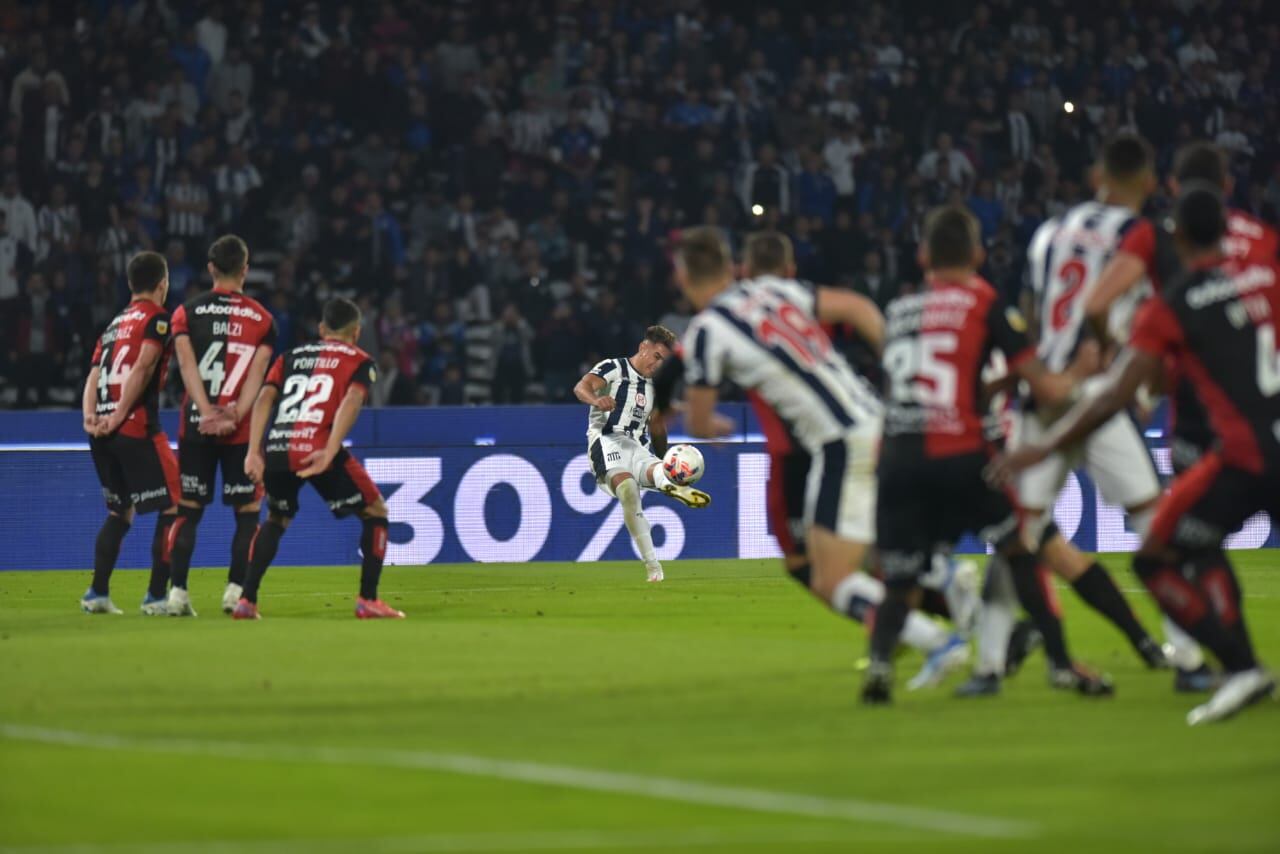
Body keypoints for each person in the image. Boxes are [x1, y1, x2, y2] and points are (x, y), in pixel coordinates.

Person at [991, 186, 1278, 725]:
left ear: (1177, 237)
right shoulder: (1267, 275)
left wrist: (1045, 447)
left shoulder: (1169, 304)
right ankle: (1217, 664)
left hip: (1247, 457)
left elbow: (1117, 394)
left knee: (1156, 555)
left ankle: (1236, 664)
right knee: (1172, 528)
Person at [863, 205, 1110, 705]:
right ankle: (1061, 664)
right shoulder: (985, 302)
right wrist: (1082, 371)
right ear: (977, 254)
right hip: (960, 456)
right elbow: (1047, 388)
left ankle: (880, 669)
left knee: (901, 577)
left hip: (899, 458)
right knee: (1020, 552)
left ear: (923, 255)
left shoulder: (900, 309)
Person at [965, 135, 1169, 695]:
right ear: (1149, 183)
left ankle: (986, 669)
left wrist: (1043, 370)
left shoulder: (1051, 232)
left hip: (1044, 397)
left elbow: (1030, 313)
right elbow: (1134, 312)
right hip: (1101, 396)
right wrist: (1109, 352)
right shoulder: (1140, 236)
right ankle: (1189, 655)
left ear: (1097, 175)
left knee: (1017, 536)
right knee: (1154, 523)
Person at [1084, 141, 1278, 690]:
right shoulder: (1262, 239)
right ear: (1230, 189)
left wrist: (1131, 361)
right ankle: (1234, 664)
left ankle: (1229, 661)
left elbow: (1106, 305)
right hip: (1263, 402)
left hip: (1197, 411)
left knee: (1192, 543)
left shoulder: (1155, 237)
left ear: (1172, 189)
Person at [675, 227, 910, 678]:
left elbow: (699, 419)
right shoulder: (778, 295)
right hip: (868, 422)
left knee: (824, 570)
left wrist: (701, 421)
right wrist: (897, 368)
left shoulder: (709, 330)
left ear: (683, 278)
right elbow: (859, 307)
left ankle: (928, 631)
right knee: (863, 552)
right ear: (731, 268)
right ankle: (942, 606)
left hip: (823, 445)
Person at [234, 297, 400, 620]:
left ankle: (246, 600)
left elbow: (264, 398)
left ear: (322, 329)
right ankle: (368, 599)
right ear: (356, 332)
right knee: (376, 510)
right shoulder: (360, 360)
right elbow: (352, 400)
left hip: (278, 449)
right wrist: (330, 449)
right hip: (317, 446)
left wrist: (254, 451)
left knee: (276, 519)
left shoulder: (289, 357)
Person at [165, 235, 276, 616]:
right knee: (247, 513)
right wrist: (233, 415)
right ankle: (235, 592)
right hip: (241, 431)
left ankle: (177, 593)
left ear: (211, 269)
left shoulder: (185, 312)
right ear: (245, 269)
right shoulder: (263, 320)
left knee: (188, 509)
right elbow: (257, 377)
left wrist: (206, 412)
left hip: (196, 426)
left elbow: (185, 365)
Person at [80, 251, 180, 614]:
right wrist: (121, 414)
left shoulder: (112, 325)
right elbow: (143, 366)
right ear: (163, 284)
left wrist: (90, 416)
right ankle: (156, 597)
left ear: (129, 284)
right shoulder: (157, 319)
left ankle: (97, 594)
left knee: (119, 512)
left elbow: (92, 377)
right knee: (176, 505)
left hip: (101, 431)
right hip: (135, 424)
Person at [573, 325, 709, 583]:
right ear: (643, 347)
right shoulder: (614, 368)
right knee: (628, 489)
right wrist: (596, 400)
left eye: (664, 362)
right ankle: (653, 565)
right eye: (657, 357)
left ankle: (671, 482)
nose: (659, 365)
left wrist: (666, 460)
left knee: (656, 470)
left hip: (637, 446)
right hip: (607, 441)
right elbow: (581, 387)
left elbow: (657, 427)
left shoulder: (656, 388)